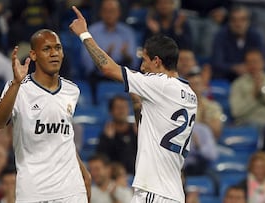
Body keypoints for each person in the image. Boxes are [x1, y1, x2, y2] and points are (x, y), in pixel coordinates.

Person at [70, 6, 197, 203]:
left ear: (156, 61)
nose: (143, 67)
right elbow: (148, 126)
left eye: (145, 60)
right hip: (173, 193)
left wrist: (84, 34)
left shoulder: (160, 85)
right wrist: (137, 103)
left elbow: (107, 68)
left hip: (154, 192)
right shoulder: (190, 94)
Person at [0, 29, 90, 202]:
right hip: (33, 190)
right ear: (33, 55)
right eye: (47, 49)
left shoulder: (72, 90)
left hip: (71, 189)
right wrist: (16, 83)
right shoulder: (18, 88)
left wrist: (84, 173)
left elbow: (63, 138)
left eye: (58, 48)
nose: (54, 54)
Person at [81, 0, 138, 104]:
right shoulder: (92, 31)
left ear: (119, 13)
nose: (109, 14)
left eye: (112, 11)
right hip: (99, 77)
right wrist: (104, 57)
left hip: (122, 76)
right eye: (106, 11)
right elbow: (87, 63)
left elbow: (134, 63)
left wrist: (126, 56)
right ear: (101, 13)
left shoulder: (127, 32)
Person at [211, 5, 265, 81]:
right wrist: (234, 68)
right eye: (234, 20)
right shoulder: (220, 36)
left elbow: (263, 61)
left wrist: (249, 67)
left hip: (251, 76)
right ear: (229, 22)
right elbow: (216, 63)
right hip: (226, 78)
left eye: (242, 20)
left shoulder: (256, 36)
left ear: (248, 22)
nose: (238, 24)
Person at [229, 49, 265, 129]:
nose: (253, 65)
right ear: (245, 65)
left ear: (263, 63)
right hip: (246, 123)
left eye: (255, 61)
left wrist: (262, 92)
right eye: (249, 62)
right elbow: (236, 112)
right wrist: (253, 96)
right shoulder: (238, 84)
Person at [96, 95, 137, 175]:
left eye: (124, 107)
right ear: (111, 111)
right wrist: (109, 140)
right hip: (114, 178)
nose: (122, 111)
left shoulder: (136, 132)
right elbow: (102, 161)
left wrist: (140, 137)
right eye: (118, 108)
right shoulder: (106, 135)